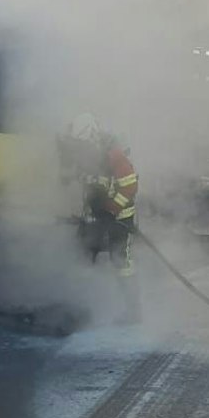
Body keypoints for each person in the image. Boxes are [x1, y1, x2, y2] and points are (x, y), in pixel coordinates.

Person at [64, 113, 140, 303]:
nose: (80, 148)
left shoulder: (114, 155)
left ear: (92, 137)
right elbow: (91, 179)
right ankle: (85, 302)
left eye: (82, 143)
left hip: (120, 218)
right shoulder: (89, 154)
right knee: (84, 252)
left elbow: (130, 186)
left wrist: (111, 209)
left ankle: (132, 307)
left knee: (120, 261)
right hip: (97, 215)